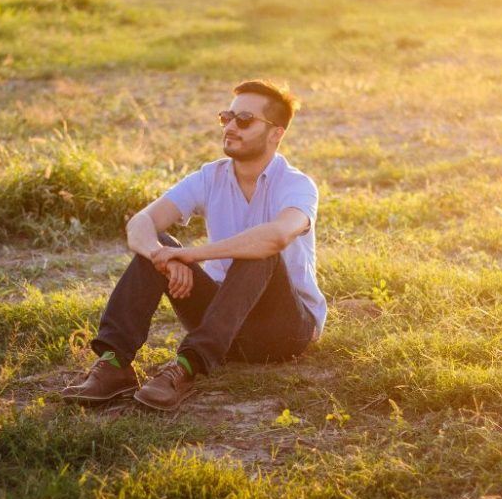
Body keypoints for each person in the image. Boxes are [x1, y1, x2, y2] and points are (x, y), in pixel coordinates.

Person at [60, 79, 327, 411]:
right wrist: (164, 257)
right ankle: (115, 365)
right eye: (226, 117)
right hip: (220, 321)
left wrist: (190, 254)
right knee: (156, 243)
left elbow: (276, 235)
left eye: (244, 120)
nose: (231, 126)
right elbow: (141, 223)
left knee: (260, 251)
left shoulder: (297, 185)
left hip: (282, 330)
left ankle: (186, 368)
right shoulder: (209, 176)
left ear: (276, 133)